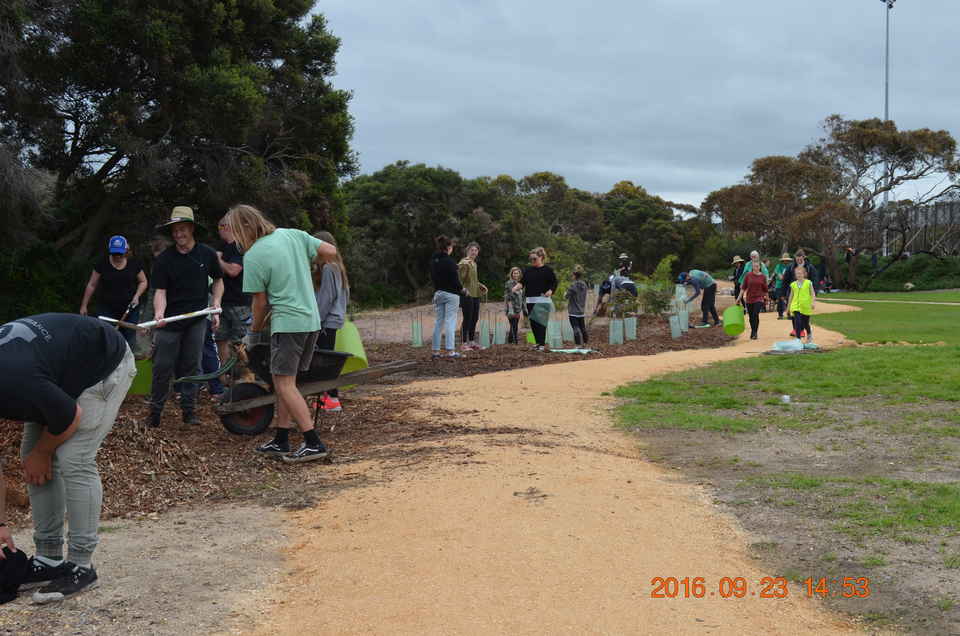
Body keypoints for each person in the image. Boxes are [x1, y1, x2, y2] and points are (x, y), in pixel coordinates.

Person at [0, 313, 136, 602]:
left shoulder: (14, 380)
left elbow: (70, 415)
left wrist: (43, 451)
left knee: (74, 458)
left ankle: (81, 565)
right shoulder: (17, 380)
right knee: (31, 458)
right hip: (58, 371)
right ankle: (49, 557)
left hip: (103, 363)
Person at [226, 204, 336, 462]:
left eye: (234, 231)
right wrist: (304, 267)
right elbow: (330, 251)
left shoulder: (253, 255)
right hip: (311, 320)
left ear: (244, 228)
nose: (234, 238)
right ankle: (281, 439)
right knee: (285, 383)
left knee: (285, 384)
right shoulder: (292, 234)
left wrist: (253, 333)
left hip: (288, 323)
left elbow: (260, 303)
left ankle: (313, 442)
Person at [146, 207, 223, 428]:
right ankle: (155, 413)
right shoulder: (164, 260)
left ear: (191, 229)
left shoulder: (206, 254)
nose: (178, 234)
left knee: (192, 366)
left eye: (182, 229)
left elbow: (218, 280)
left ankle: (189, 412)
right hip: (169, 321)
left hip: (196, 319)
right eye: (175, 231)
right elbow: (160, 292)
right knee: (162, 367)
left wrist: (216, 304)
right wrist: (159, 313)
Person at [79, 235, 148, 350]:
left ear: (126, 250)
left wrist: (137, 296)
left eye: (120, 253)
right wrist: (84, 305)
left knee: (128, 339)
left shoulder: (134, 263)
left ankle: (128, 358)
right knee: (107, 337)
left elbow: (143, 281)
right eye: (114, 253)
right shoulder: (102, 263)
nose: (117, 256)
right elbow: (92, 285)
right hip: (106, 307)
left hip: (130, 308)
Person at [312, 231, 349, 413]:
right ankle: (328, 398)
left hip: (326, 322)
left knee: (325, 362)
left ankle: (333, 399)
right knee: (326, 360)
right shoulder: (336, 267)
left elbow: (326, 298)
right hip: (331, 320)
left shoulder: (329, 268)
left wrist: (316, 321)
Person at [214, 215, 252, 383]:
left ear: (226, 227)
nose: (219, 231)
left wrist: (218, 260)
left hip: (239, 302)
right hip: (222, 302)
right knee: (220, 340)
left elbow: (233, 271)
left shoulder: (239, 247)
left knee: (240, 342)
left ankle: (246, 378)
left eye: (220, 228)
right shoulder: (222, 246)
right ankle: (224, 378)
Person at [430, 236, 465, 359]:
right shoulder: (450, 261)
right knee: (450, 321)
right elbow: (455, 280)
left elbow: (433, 277)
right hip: (451, 295)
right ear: (449, 247)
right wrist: (462, 289)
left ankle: (435, 352)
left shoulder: (434, 260)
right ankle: (451, 351)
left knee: (438, 322)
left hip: (438, 293)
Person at [522, 247, 557, 351]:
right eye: (531, 259)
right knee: (533, 323)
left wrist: (551, 290)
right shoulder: (528, 270)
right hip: (530, 300)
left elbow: (554, 282)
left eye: (534, 259)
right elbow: (522, 282)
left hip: (543, 300)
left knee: (541, 323)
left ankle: (541, 344)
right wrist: (516, 287)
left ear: (541, 257)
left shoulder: (548, 270)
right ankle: (537, 343)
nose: (532, 261)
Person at [780, 249, 818, 337]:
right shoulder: (790, 267)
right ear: (795, 258)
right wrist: (783, 293)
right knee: (794, 312)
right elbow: (785, 280)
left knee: (803, 314)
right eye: (797, 258)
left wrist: (814, 293)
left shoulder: (810, 267)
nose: (798, 260)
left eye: (800, 258)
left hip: (805, 294)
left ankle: (803, 330)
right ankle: (796, 329)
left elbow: (815, 280)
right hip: (793, 292)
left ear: (804, 257)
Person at [457, 242, 487, 351]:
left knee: (474, 318)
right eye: (472, 250)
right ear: (467, 251)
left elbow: (472, 280)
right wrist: (462, 291)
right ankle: (464, 343)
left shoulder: (474, 263)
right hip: (467, 295)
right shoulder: (464, 263)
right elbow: (459, 279)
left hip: (475, 294)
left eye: (476, 250)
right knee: (467, 318)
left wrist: (480, 285)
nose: (474, 252)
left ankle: (472, 342)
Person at [737, 262, 768, 340]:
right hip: (749, 299)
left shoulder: (763, 277)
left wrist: (767, 298)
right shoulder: (748, 275)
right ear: (752, 267)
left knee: (755, 314)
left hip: (759, 298)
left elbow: (765, 289)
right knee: (751, 317)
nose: (756, 267)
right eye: (754, 266)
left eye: (757, 266)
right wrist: (739, 298)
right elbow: (743, 288)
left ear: (760, 267)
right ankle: (753, 330)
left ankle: (755, 332)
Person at [786, 264, 816, 344]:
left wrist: (813, 302)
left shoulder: (808, 283)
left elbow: (813, 294)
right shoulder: (793, 284)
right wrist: (788, 307)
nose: (798, 275)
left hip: (805, 306)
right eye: (797, 274)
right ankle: (798, 339)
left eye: (800, 273)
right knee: (797, 322)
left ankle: (809, 333)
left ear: (804, 274)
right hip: (795, 306)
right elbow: (791, 296)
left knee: (805, 323)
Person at [565, 265, 589, 346]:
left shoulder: (573, 285)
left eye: (572, 275)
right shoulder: (584, 285)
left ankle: (578, 345)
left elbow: (566, 296)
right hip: (581, 311)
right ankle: (585, 343)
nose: (572, 277)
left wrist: (565, 293)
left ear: (575, 276)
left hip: (573, 312)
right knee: (583, 328)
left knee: (575, 329)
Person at [504, 267, 524, 345]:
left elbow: (522, 297)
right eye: (514, 273)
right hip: (511, 307)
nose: (516, 275)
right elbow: (509, 295)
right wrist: (510, 308)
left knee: (513, 324)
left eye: (517, 273)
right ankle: (515, 342)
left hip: (518, 307)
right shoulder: (509, 283)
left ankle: (510, 340)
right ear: (511, 274)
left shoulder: (520, 283)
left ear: (519, 274)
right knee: (514, 324)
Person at [773, 253, 792, 319]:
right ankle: (780, 314)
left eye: (787, 260)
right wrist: (786, 278)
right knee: (780, 300)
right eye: (785, 260)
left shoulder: (790, 266)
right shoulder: (778, 266)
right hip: (779, 285)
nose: (786, 261)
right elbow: (780, 276)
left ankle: (789, 314)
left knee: (789, 299)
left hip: (788, 285)